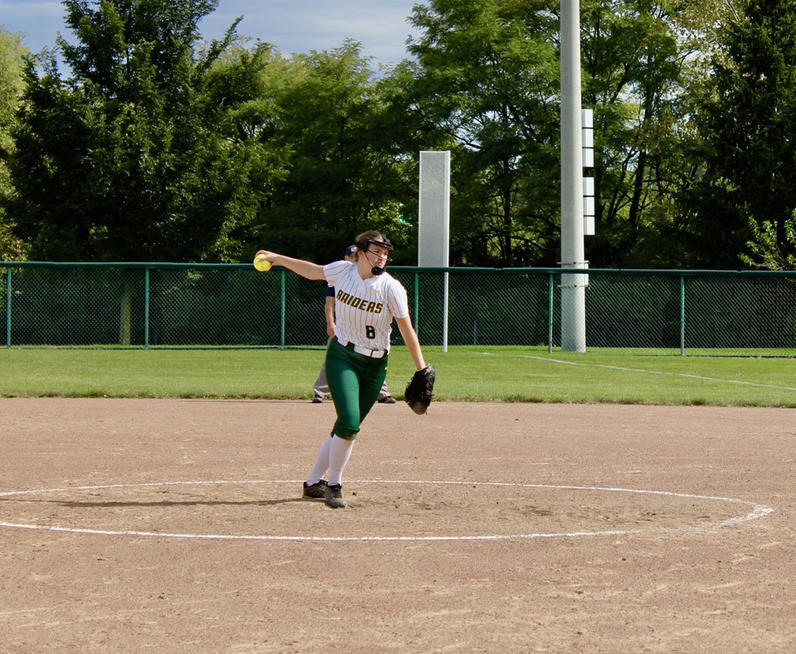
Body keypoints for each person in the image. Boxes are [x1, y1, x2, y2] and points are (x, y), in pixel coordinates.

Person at [256, 230, 429, 508]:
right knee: (349, 423)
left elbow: (407, 330)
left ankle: (313, 483)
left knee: (347, 425)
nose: (382, 257)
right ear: (360, 253)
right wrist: (277, 258)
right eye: (376, 251)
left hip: (375, 366)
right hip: (343, 356)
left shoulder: (391, 288)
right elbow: (312, 271)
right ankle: (334, 485)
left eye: (385, 253)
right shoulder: (342, 271)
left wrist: (422, 369)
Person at [312, 245, 395, 404]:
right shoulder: (339, 276)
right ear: (346, 258)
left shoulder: (374, 280)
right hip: (343, 330)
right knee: (332, 358)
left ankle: (382, 392)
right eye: (352, 257)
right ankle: (320, 391)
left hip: (366, 331)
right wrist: (331, 323)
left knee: (375, 359)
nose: (354, 260)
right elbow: (329, 304)